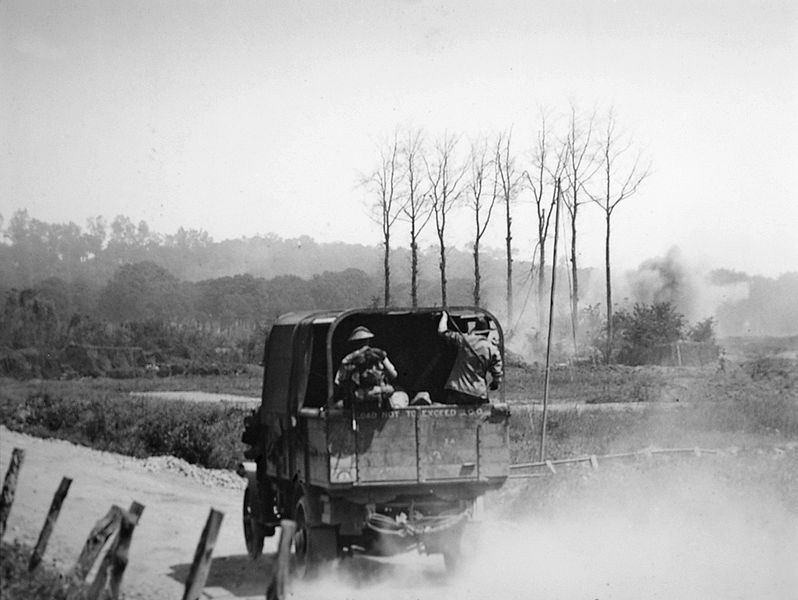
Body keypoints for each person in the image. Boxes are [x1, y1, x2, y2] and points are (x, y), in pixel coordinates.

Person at [437, 311, 503, 405]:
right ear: (487, 333)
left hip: (457, 390)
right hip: (477, 394)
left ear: (475, 329)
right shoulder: (492, 349)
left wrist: (444, 316)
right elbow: (497, 375)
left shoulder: (464, 340)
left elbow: (442, 331)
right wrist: (495, 383)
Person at [335, 326, 398, 407]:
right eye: (359, 342)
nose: (363, 344)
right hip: (358, 402)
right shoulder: (350, 360)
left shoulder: (379, 355)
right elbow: (339, 380)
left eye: (364, 341)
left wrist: (381, 357)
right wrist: (356, 356)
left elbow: (393, 374)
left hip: (381, 400)